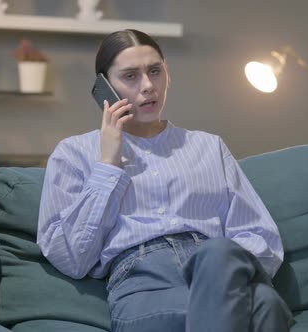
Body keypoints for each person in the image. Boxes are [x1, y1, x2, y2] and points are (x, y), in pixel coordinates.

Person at [37, 29, 293, 332]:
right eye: (130, 76)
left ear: (167, 74)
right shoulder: (75, 153)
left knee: (221, 253)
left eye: (155, 71)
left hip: (216, 268)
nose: (148, 86)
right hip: (144, 284)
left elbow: (258, 234)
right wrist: (107, 166)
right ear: (104, 87)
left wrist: (223, 271)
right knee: (265, 307)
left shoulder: (209, 147)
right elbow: (71, 257)